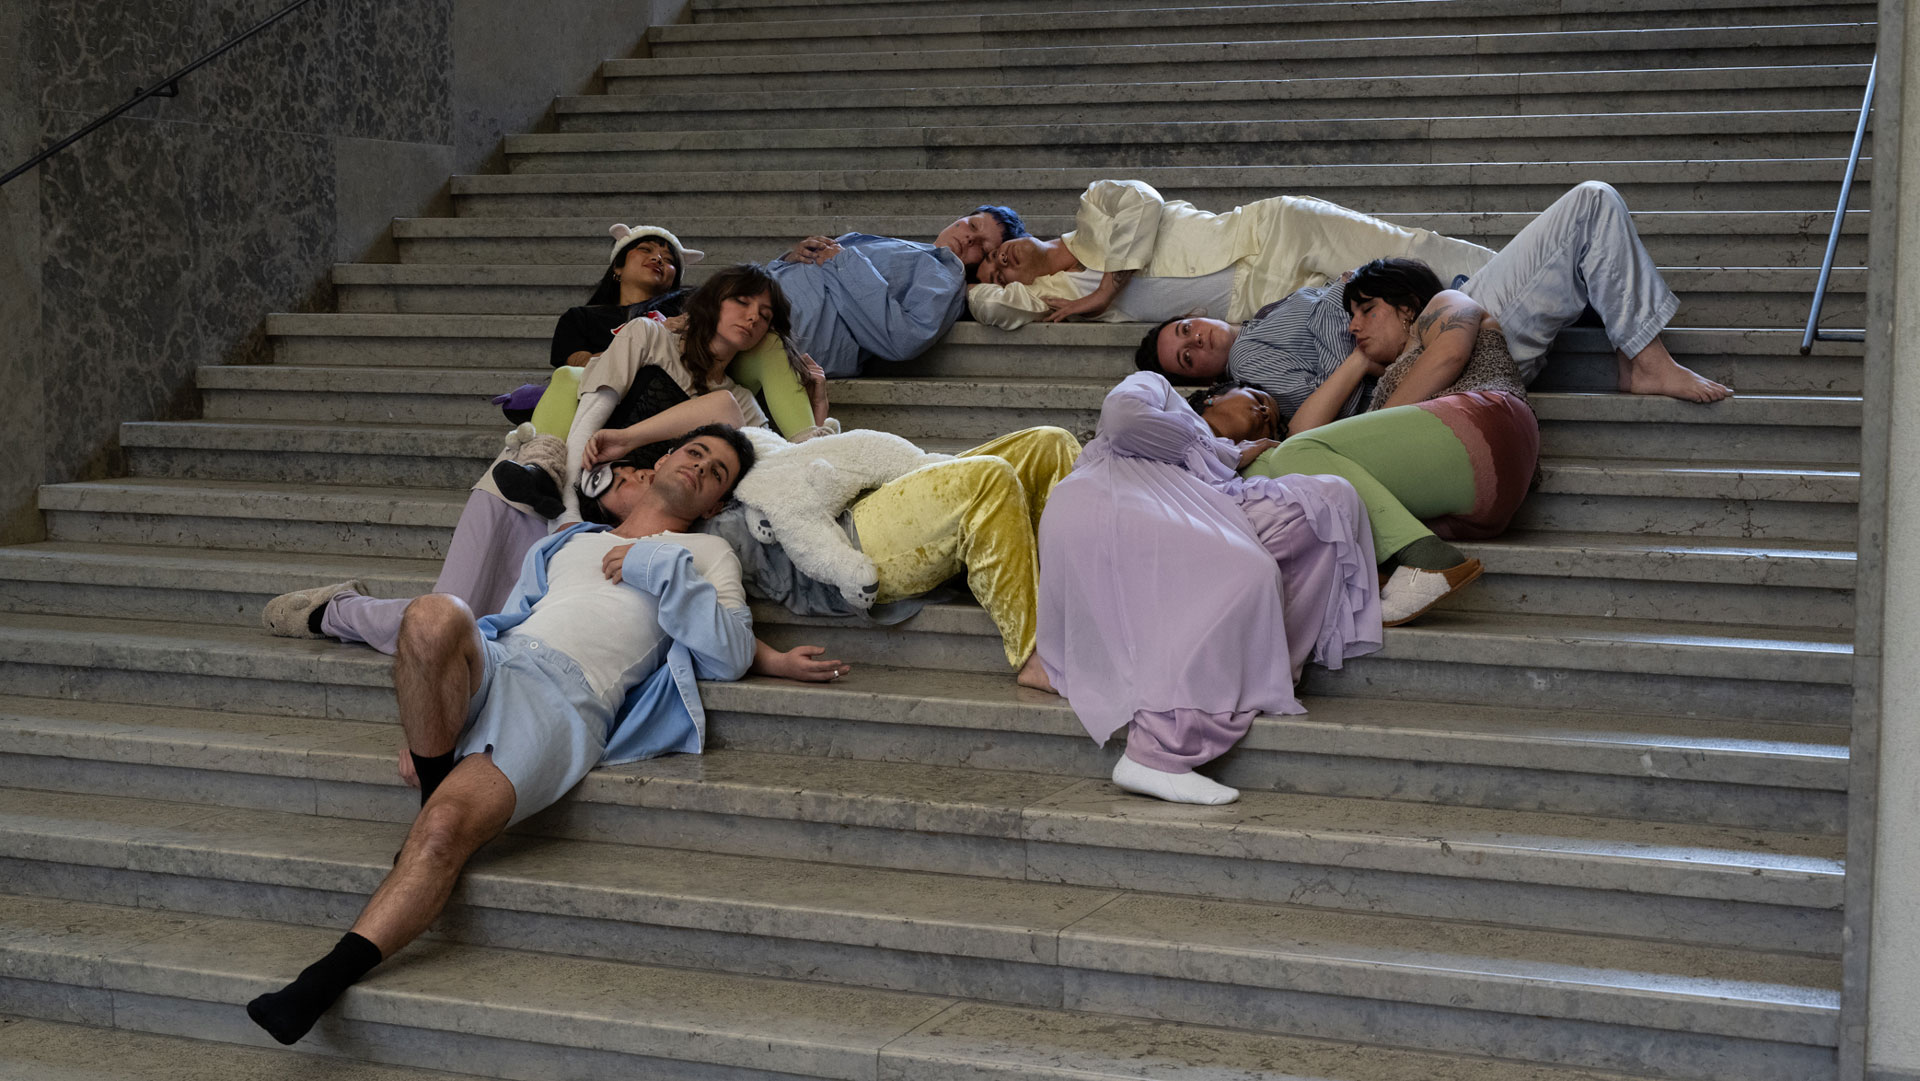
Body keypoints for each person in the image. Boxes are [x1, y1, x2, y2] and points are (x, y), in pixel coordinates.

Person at [245, 425, 772, 1047]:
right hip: (503, 658)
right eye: (695, 453)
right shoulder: (571, 539)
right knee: (434, 613)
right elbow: (507, 616)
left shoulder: (706, 555)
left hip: (565, 701)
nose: (701, 467)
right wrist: (432, 714)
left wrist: (656, 565)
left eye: (716, 473)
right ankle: (436, 779)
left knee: (445, 832)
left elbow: (731, 653)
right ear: (660, 462)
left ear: (715, 504)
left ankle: (315, 986)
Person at [262, 267, 830, 674]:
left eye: (765, 316)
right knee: (457, 616)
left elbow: (776, 458)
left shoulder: (738, 403)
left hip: (603, 532)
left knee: (486, 635)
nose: (752, 318)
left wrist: (819, 410)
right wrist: (565, 509)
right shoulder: (648, 336)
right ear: (713, 302)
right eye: (742, 302)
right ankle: (336, 612)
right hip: (538, 493)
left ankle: (338, 612)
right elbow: (589, 416)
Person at [1037, 372, 1382, 806]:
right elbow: (1123, 418)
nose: (1264, 412)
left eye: (1272, 419)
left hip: (1194, 503)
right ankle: (1157, 752)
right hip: (1113, 497)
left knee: (1330, 500)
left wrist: (1229, 456)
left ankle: (1251, 678)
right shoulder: (1159, 390)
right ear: (1214, 395)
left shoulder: (1219, 470)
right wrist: (1212, 446)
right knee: (1249, 573)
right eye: (1257, 397)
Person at [1137, 181, 1733, 408]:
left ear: (1194, 314)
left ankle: (1631, 354)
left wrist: (1358, 291)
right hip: (1443, 346)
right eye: (1186, 358)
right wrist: (1361, 309)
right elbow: (1330, 391)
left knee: (1582, 228)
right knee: (1590, 204)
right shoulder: (1248, 360)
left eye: (1186, 331)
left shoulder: (1267, 314)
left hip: (1445, 311)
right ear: (1197, 380)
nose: (1197, 343)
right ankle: (1648, 361)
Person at [1189, 258, 1541, 626]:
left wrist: (1370, 421)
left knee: (1297, 454)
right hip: (1476, 504)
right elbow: (1301, 431)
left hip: (1488, 424)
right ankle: (1371, 569)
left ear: (1407, 307)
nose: (1353, 325)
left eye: (1367, 310)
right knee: (1265, 467)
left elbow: (1449, 355)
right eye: (1351, 315)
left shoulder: (1444, 303)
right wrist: (1359, 359)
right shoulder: (1392, 373)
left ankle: (1425, 557)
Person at [709, 425, 1082, 691]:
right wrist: (772, 662)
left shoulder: (757, 456)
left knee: (1050, 442)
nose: (699, 468)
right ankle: (1035, 656)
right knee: (990, 478)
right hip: (854, 545)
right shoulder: (702, 536)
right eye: (714, 472)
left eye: (701, 455)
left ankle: (1088, 617)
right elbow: (708, 620)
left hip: (872, 490)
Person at [967, 178, 1492, 329]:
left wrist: (1107, 289)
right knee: (1399, 298)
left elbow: (1143, 201)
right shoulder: (1051, 297)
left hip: (1272, 232)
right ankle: (1500, 311)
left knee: (1409, 250)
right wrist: (962, 268)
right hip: (1265, 300)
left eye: (996, 246)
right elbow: (987, 306)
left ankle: (1504, 274)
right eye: (990, 267)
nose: (999, 261)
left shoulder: (1093, 207)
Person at [767, 205, 1028, 378]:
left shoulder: (947, 279)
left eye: (983, 247)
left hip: (795, 323)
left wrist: (844, 262)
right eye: (972, 225)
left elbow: (904, 340)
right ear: (958, 220)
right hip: (768, 289)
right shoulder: (912, 250)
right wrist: (792, 258)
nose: (971, 238)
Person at [549, 224, 699, 368]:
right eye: (645, 249)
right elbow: (580, 368)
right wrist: (654, 336)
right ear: (617, 266)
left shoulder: (683, 317)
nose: (658, 258)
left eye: (669, 260)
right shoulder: (581, 318)